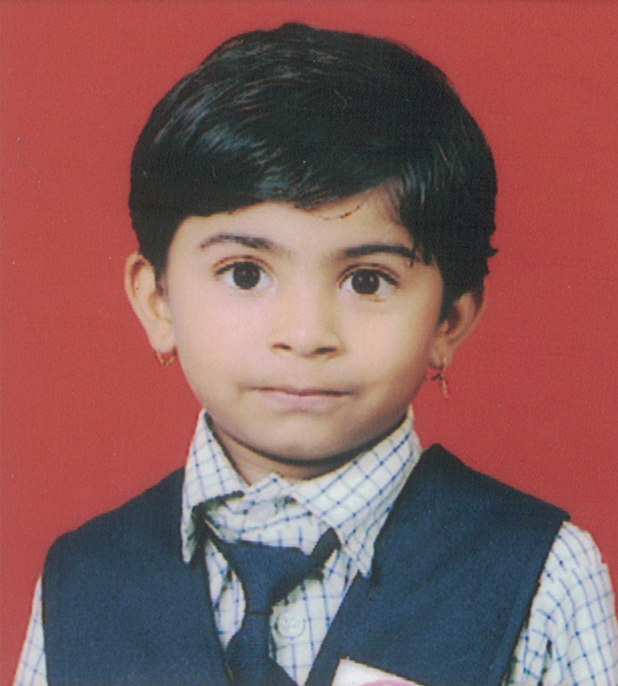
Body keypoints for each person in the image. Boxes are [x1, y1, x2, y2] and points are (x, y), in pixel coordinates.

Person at [14, 23, 617, 686]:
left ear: (449, 320)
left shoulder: (542, 575)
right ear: (159, 302)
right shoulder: (83, 581)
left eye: (368, 281)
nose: (305, 335)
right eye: (245, 273)